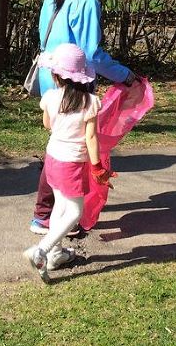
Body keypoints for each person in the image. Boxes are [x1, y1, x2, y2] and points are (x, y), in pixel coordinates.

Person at [29, 0, 137, 236]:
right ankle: (57, 215)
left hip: (50, 76)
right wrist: (124, 75)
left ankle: (46, 213)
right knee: (76, 148)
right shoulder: (87, 1)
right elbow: (91, 54)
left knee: (57, 145)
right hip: (75, 81)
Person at [23, 43, 112, 283]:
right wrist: (97, 168)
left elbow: (47, 125)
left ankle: (55, 255)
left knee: (60, 207)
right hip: (72, 165)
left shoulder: (50, 97)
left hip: (52, 159)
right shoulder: (90, 102)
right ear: (83, 77)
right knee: (74, 212)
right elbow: (91, 137)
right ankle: (42, 249)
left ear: (55, 75)